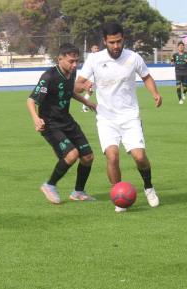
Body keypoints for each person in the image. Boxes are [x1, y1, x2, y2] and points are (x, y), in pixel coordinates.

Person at [77, 22, 162, 212]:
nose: (116, 46)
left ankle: (148, 187)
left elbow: (146, 77)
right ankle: (119, 195)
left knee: (140, 157)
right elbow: (77, 85)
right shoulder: (94, 59)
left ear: (124, 38)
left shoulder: (133, 57)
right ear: (105, 41)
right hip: (106, 118)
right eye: (112, 42)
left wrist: (155, 93)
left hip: (130, 116)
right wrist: (84, 86)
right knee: (112, 157)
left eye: (119, 41)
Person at [27, 43, 98, 204]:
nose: (74, 65)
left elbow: (69, 91)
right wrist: (36, 119)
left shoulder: (71, 73)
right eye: (71, 61)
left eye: (76, 61)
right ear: (60, 59)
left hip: (67, 121)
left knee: (88, 156)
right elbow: (31, 100)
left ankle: (78, 192)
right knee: (72, 155)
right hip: (50, 124)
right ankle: (49, 185)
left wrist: (88, 102)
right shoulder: (49, 76)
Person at [81, 44, 99, 112]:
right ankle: (84, 107)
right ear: (91, 49)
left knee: (91, 92)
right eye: (95, 48)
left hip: (95, 78)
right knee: (90, 92)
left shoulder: (96, 56)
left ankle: (84, 107)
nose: (97, 49)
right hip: (92, 79)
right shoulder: (92, 56)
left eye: (97, 48)